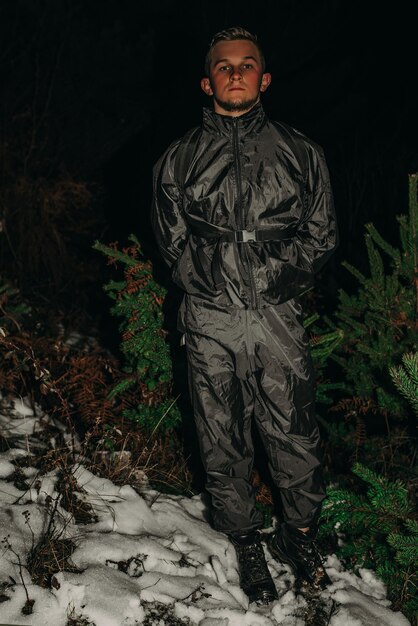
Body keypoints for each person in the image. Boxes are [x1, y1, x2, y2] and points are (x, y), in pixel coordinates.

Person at [151, 26, 338, 605]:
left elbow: (321, 234)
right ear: (207, 81)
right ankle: (246, 537)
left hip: (279, 313)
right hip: (210, 317)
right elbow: (172, 243)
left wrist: (272, 279)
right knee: (220, 432)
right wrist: (212, 282)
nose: (236, 73)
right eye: (224, 66)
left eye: (247, 64)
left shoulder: (301, 152)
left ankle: (299, 532)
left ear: (265, 79)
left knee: (293, 427)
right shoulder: (179, 158)